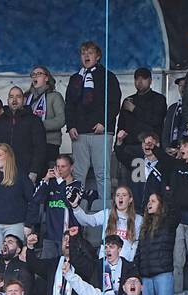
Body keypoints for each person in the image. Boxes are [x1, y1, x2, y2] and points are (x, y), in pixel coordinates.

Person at [64, 41, 122, 211]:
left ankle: (104, 208)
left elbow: (114, 103)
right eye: (83, 53)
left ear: (98, 56)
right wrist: (71, 125)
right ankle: (76, 207)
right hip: (80, 132)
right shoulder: (76, 78)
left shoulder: (108, 76)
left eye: (90, 53)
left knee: (102, 173)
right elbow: (69, 104)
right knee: (79, 174)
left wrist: (104, 122)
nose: (86, 56)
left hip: (101, 132)